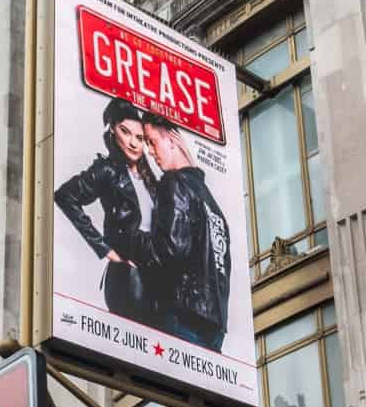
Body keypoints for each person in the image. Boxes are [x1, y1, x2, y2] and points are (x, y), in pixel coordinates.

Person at [127, 112, 233, 351]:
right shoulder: (210, 202)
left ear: (172, 139)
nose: (151, 153)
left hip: (183, 319)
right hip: (214, 327)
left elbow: (170, 251)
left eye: (153, 142)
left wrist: (131, 238)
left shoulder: (173, 183)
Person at [55, 98, 160, 324]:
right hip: (129, 277)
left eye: (139, 138)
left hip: (155, 273)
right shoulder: (107, 170)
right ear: (113, 129)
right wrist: (106, 249)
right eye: (125, 132)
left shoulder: (151, 178)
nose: (133, 143)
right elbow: (65, 195)